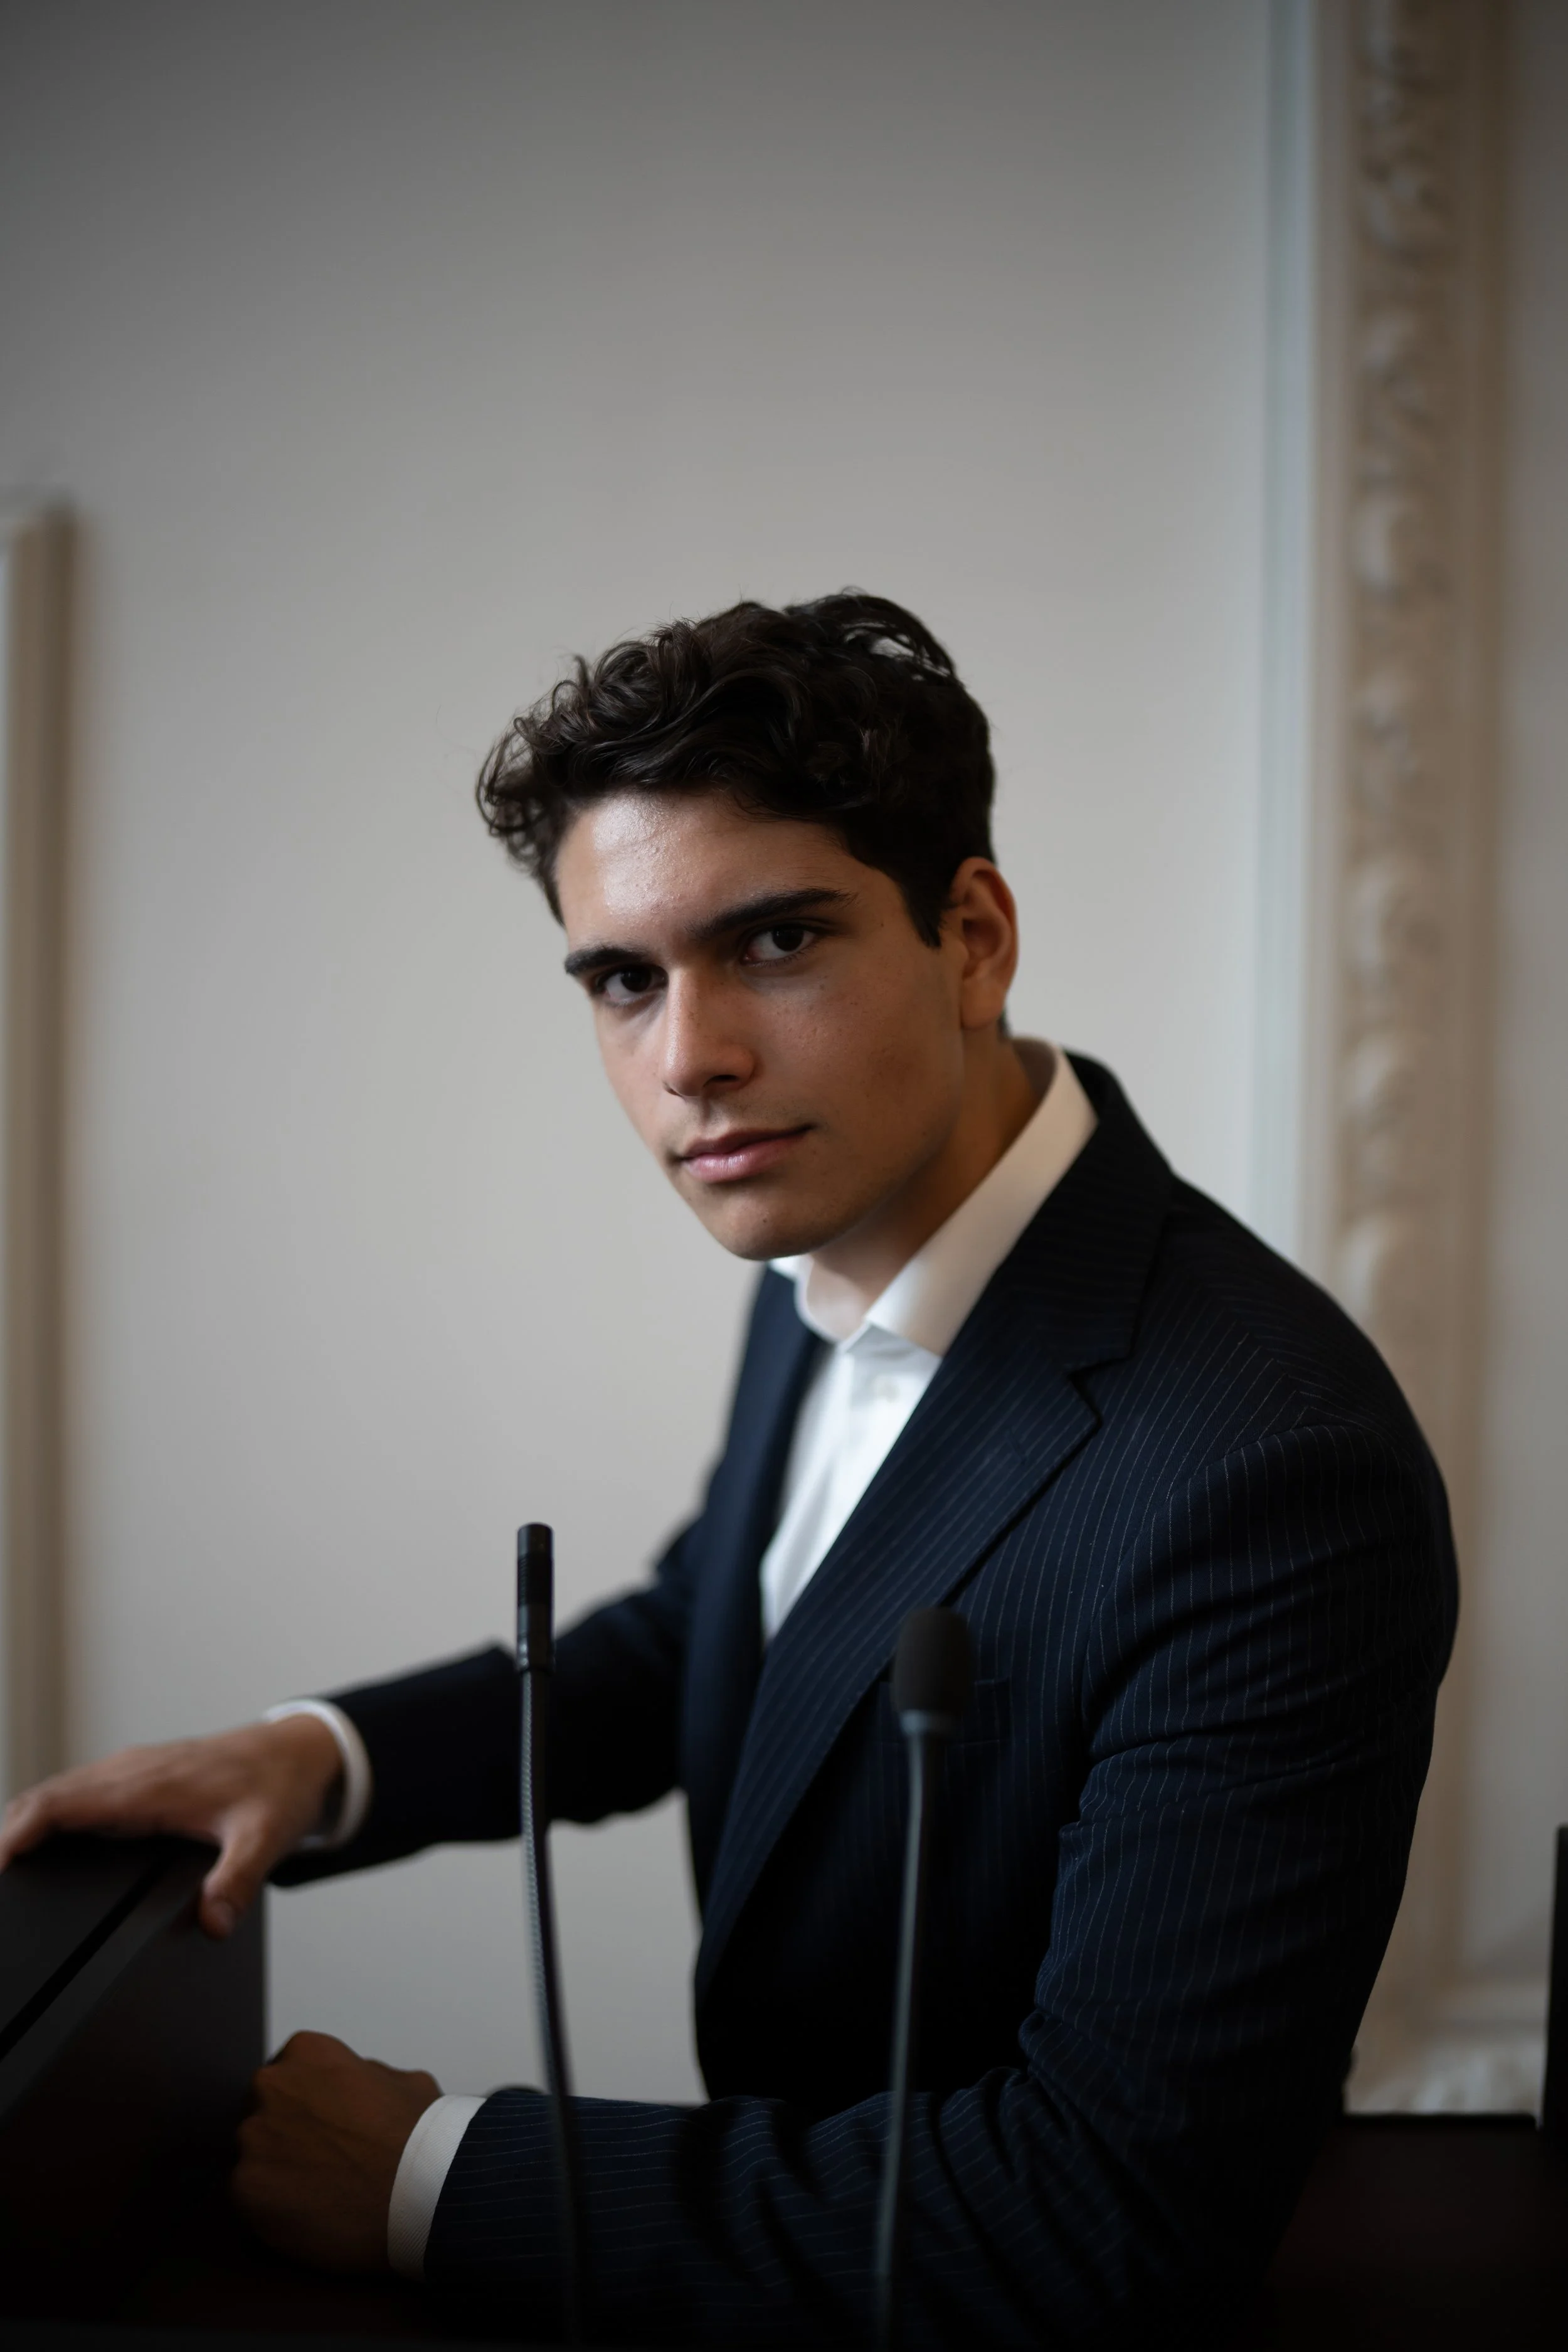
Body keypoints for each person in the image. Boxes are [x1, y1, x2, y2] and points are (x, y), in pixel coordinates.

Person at [0, 594, 1457, 2346]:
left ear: (973, 933)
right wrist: (320, 1759)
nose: (687, 1056)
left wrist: (432, 2176)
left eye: (772, 941)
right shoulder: (832, 1220)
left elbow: (1107, 2215)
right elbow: (727, 1629)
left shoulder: (1271, 1470)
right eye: (622, 978)